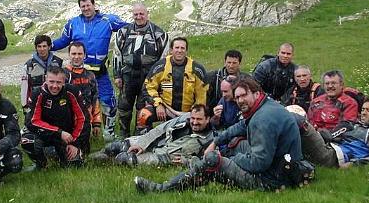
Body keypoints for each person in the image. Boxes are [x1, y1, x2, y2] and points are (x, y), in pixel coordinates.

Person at [134, 78, 313, 193]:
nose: (240, 100)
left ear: (256, 93)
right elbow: (240, 126)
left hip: (272, 181)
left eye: (244, 95)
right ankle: (192, 176)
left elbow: (259, 163)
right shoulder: (267, 106)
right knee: (217, 157)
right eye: (237, 97)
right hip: (283, 171)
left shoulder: (263, 119)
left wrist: (230, 158)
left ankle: (162, 189)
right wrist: (217, 141)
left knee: (213, 160)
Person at [52, 0, 127, 140]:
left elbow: (128, 28)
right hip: (78, 73)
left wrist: (141, 25)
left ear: (94, 5)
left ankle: (109, 133)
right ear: (80, 8)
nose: (86, 8)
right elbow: (63, 40)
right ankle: (75, 130)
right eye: (83, 6)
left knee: (108, 101)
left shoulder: (108, 20)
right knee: (75, 102)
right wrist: (48, 46)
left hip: (100, 72)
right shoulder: (73, 23)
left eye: (88, 5)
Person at [90, 104, 214, 167]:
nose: (194, 122)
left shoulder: (210, 139)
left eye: (199, 119)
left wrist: (187, 161)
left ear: (208, 119)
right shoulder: (184, 118)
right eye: (193, 118)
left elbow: (208, 161)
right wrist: (142, 144)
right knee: (116, 146)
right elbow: (161, 128)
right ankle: (91, 159)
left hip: (163, 157)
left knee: (125, 160)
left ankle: (107, 163)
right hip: (157, 142)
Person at [113, 2, 169, 138]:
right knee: (124, 107)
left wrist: (159, 81)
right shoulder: (123, 32)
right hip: (127, 76)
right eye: (136, 14)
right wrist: (117, 75)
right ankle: (123, 135)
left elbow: (164, 59)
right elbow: (117, 54)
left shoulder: (160, 34)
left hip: (148, 79)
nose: (138, 17)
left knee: (144, 108)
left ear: (147, 14)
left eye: (141, 14)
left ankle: (142, 136)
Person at [136, 37, 208, 133]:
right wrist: (158, 104)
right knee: (144, 114)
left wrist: (195, 113)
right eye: (177, 48)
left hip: (188, 113)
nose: (179, 51)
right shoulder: (161, 66)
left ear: (186, 51)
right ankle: (143, 143)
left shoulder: (197, 69)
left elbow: (202, 95)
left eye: (182, 48)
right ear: (171, 50)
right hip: (165, 109)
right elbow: (148, 87)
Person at [20, 67, 88, 169]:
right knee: (27, 140)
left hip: (68, 137)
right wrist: (58, 132)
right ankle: (42, 163)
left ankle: (61, 155)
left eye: (58, 82)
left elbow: (83, 118)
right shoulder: (37, 93)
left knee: (74, 166)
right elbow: (32, 122)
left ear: (64, 82)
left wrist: (75, 143)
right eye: (51, 82)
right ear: (46, 79)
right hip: (47, 134)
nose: (55, 86)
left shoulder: (72, 91)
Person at [295, 98, 369, 167]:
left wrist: (355, 164)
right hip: (329, 147)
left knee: (300, 121)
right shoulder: (354, 125)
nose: (363, 112)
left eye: (368, 110)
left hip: (334, 156)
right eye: (363, 109)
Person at [63, 41, 100, 154]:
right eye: (74, 54)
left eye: (79, 54)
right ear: (69, 55)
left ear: (84, 55)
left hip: (85, 120)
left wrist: (96, 123)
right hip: (67, 120)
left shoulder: (90, 75)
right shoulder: (62, 74)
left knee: (84, 154)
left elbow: (95, 100)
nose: (77, 57)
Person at [20, 35, 63, 113]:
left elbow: (63, 83)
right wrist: (25, 105)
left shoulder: (59, 63)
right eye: (39, 46)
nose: (42, 49)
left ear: (49, 47)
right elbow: (24, 87)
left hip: (55, 102)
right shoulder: (29, 65)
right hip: (36, 103)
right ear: (36, 48)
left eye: (44, 46)